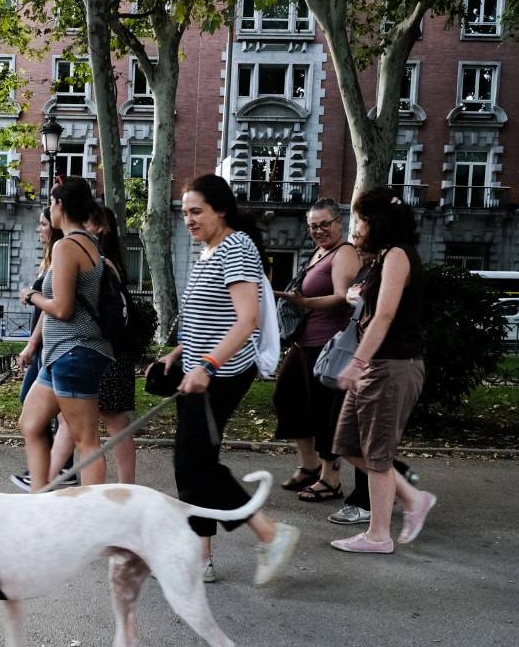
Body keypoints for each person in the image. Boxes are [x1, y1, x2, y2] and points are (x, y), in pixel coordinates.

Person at [151, 174, 299, 585]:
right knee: (191, 466)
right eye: (184, 213)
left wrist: (208, 365)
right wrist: (180, 354)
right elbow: (204, 318)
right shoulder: (208, 250)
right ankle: (202, 557)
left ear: (221, 209)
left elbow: (247, 320)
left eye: (196, 211)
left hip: (223, 373)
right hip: (198, 372)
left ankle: (269, 533)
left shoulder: (236, 248)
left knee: (197, 464)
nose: (189, 220)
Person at [329, 188, 437, 553]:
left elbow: (386, 315)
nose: (354, 227)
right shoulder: (380, 259)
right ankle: (412, 497)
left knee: (376, 454)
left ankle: (378, 535)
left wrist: (356, 362)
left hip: (392, 365)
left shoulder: (398, 256)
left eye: (358, 220)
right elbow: (369, 303)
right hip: (376, 364)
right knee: (346, 444)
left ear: (376, 221)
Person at [17, 177, 114, 489]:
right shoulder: (91, 243)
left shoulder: (66, 246)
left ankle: (91, 518)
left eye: (51, 202)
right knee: (30, 424)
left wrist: (32, 296)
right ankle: (40, 501)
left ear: (58, 205)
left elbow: (62, 309)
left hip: (75, 352)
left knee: (86, 440)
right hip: (63, 354)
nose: (49, 209)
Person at [272, 199, 360, 502]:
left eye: (325, 224)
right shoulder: (319, 252)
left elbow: (342, 298)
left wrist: (304, 302)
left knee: (324, 411)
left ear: (339, 222)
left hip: (327, 345)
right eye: (313, 226)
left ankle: (330, 478)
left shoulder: (344, 253)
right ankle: (309, 465)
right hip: (304, 342)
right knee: (287, 397)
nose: (320, 230)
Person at [48, 205, 139, 485]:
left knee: (111, 424)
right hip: (108, 350)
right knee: (71, 422)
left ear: (99, 227)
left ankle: (125, 487)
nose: (79, 227)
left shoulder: (98, 261)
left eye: (84, 221)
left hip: (102, 349)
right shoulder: (101, 259)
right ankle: (47, 481)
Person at [10, 209, 68, 491]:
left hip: (50, 346)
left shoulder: (60, 257)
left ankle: (51, 471)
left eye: (43, 224)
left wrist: (32, 344)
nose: (39, 229)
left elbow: (54, 307)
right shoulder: (51, 258)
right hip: (47, 345)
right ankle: (52, 470)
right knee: (55, 416)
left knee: (43, 413)